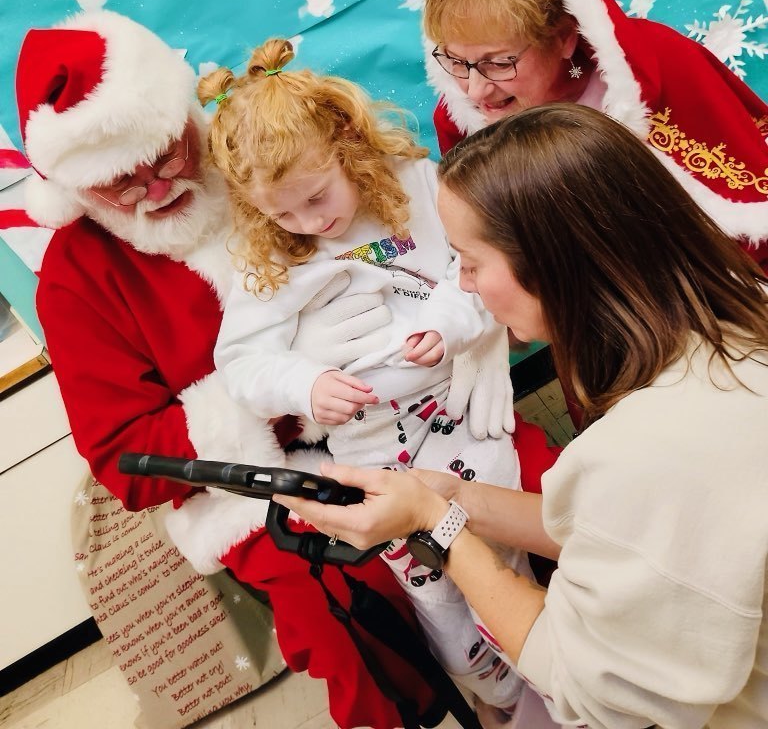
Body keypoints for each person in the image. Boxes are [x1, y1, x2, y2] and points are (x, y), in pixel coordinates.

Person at [14, 9, 443, 729]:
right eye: (121, 184)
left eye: (167, 156)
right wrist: (284, 390)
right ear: (75, 189)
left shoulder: (253, 146)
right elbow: (128, 459)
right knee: (348, 609)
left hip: (402, 401)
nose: (156, 189)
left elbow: (399, 221)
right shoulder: (73, 276)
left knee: (524, 489)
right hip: (255, 488)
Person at [283, 103, 768, 729]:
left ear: (552, 261)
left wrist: (440, 528)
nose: (463, 284)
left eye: (471, 261)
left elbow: (585, 686)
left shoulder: (645, 452)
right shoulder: (738, 322)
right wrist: (449, 494)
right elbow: (620, 530)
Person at [200, 38, 534, 722]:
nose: (308, 223)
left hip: (463, 413)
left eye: (317, 198)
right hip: (376, 449)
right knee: (437, 590)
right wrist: (304, 382)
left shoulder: (415, 185)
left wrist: (451, 325)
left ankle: (550, 675)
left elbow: (475, 269)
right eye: (282, 213)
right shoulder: (273, 259)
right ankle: (503, 701)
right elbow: (241, 363)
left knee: (505, 557)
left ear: (346, 143)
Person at [423, 0, 768, 273]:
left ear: (563, 38)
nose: (475, 90)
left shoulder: (663, 62)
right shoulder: (458, 123)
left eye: (499, 62)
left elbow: (750, 207)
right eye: (457, 61)